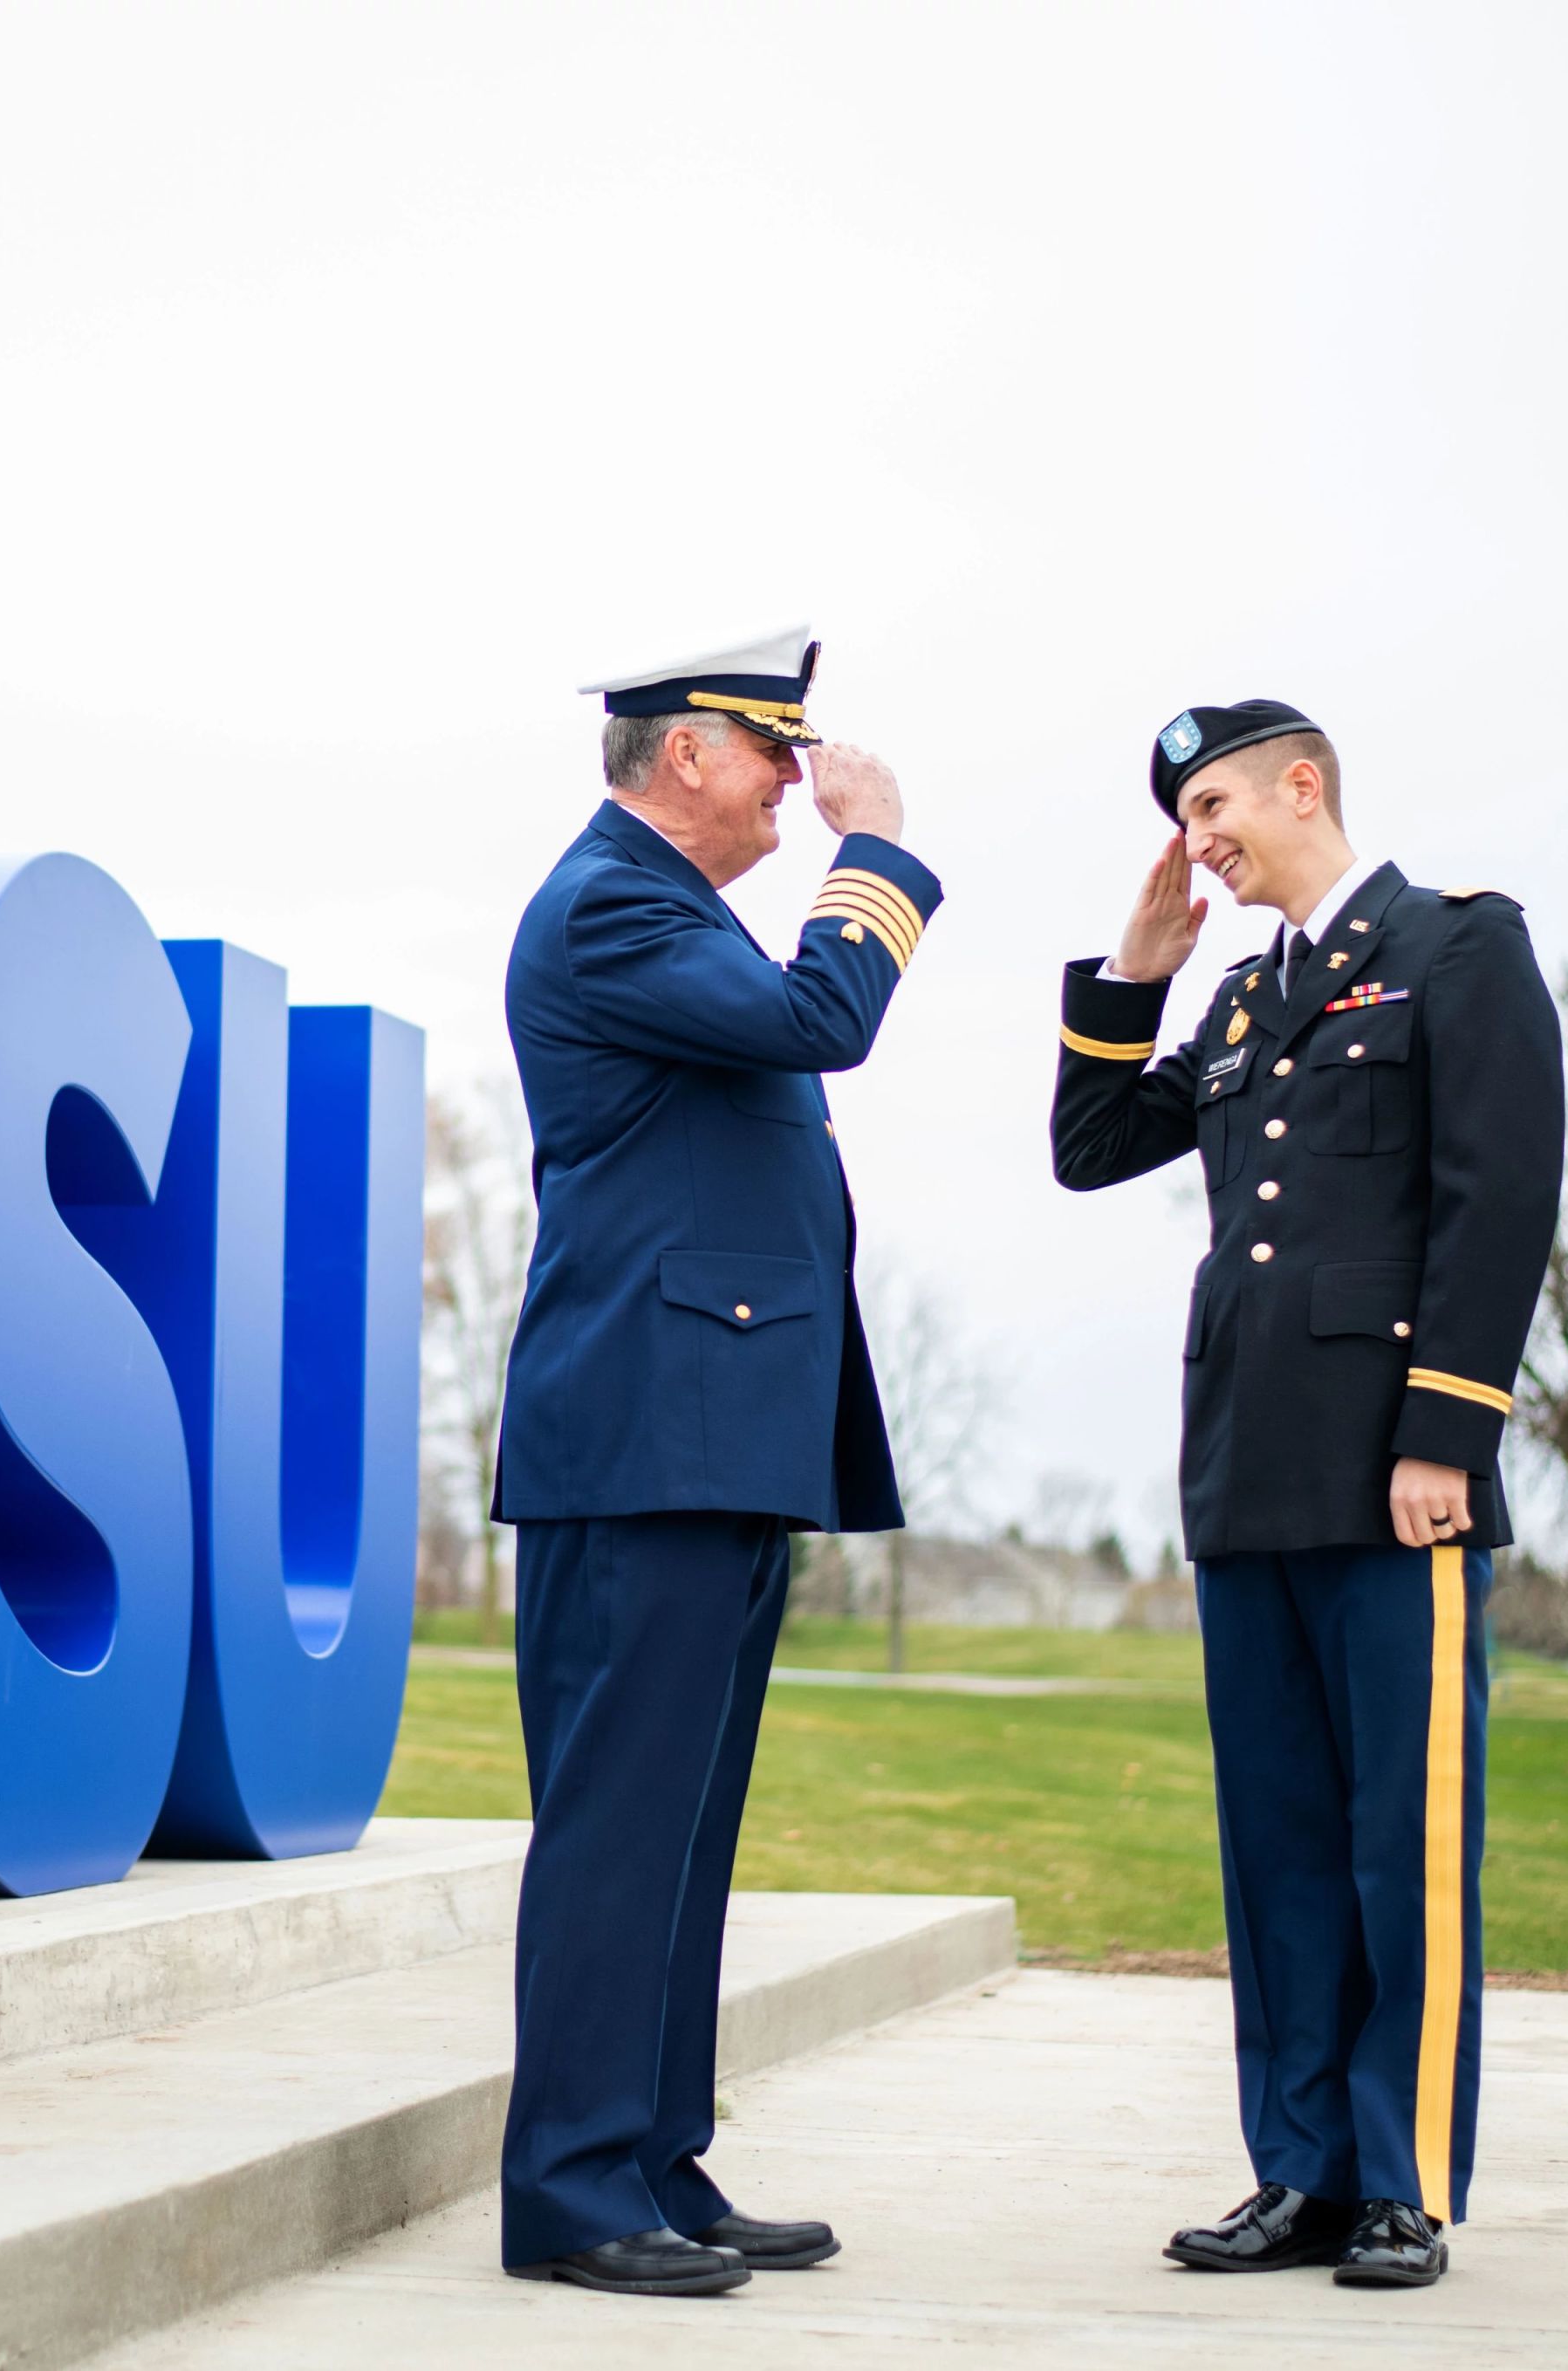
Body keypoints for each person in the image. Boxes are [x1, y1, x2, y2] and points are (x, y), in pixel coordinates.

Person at [1050, 699, 1563, 2290]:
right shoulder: (1245, 992)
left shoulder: (1457, 947)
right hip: (1248, 1465)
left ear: (1303, 784)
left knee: (1396, 1844)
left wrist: (1446, 1435)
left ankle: (1401, 2178)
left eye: (1213, 801)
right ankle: (1301, 2171)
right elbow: (1091, 1144)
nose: (1198, 834)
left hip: (1388, 1475)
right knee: (1274, 1843)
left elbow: (1501, 1196)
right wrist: (1136, 975)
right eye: (1182, 813)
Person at [494, 627, 938, 2297]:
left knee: (684, 1826)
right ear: (689, 752)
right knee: (621, 1825)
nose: (792, 779)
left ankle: (654, 2154)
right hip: (645, 1444)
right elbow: (827, 1015)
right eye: (773, 747)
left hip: (716, 1434)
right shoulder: (613, 903)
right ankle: (569, 2188)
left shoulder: (672, 915)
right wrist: (879, 850)